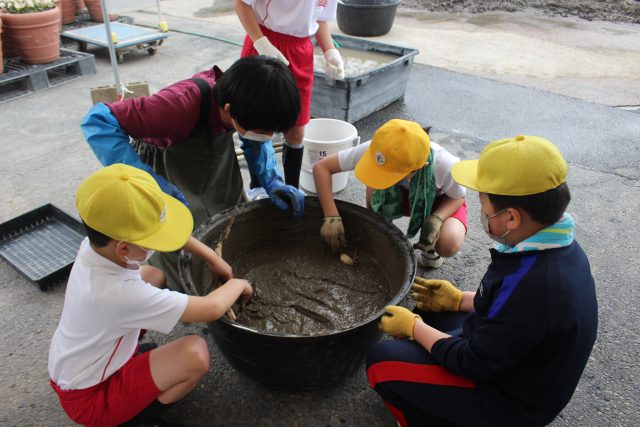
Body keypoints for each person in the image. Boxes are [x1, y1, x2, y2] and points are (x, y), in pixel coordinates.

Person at [367, 135, 598, 426]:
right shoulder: (553, 247)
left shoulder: (538, 286)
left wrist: (414, 328)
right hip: (516, 361)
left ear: (511, 218)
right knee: (429, 310)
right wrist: (458, 300)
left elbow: (471, 361)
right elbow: (509, 312)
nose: (481, 211)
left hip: (509, 401)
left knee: (382, 362)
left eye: (484, 203)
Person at [48, 164, 253, 427]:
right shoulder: (117, 293)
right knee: (196, 353)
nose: (157, 245)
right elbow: (211, 308)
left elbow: (166, 238)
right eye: (151, 241)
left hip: (77, 363)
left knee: (153, 275)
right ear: (123, 248)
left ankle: (133, 366)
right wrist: (239, 284)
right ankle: (137, 418)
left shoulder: (95, 245)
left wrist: (212, 257)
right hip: (93, 397)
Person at [81, 55, 304, 291]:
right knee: (181, 240)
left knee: (231, 224)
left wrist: (272, 180)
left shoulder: (246, 101)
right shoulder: (177, 105)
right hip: (169, 167)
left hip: (216, 163)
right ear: (229, 110)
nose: (267, 137)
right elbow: (98, 120)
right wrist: (148, 181)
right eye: (263, 131)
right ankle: (186, 295)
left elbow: (255, 138)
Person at [313, 119, 467, 268]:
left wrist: (437, 218)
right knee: (374, 191)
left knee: (449, 242)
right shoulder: (379, 150)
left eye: (388, 174)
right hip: (399, 194)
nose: (382, 176)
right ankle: (381, 231)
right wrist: (331, 216)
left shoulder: (446, 165)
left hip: (438, 201)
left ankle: (431, 246)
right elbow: (322, 168)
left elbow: (458, 197)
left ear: (416, 169)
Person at [235, 0, 344, 190]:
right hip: (265, 41)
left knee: (296, 131)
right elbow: (241, 3)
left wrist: (330, 51)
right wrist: (261, 43)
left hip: (301, 50)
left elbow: (319, 18)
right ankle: (258, 188)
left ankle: (292, 189)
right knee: (257, 126)